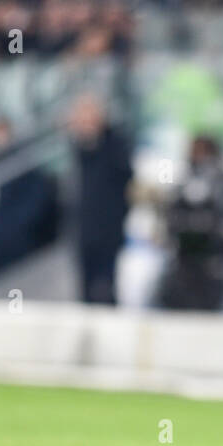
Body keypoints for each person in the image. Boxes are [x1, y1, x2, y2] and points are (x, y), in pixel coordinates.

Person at [155, 135, 223, 311]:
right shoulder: (179, 191)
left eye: (205, 154)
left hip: (222, 264)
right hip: (183, 267)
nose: (200, 160)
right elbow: (167, 228)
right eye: (195, 154)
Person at [69, 95, 132, 304]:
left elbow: (126, 179)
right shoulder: (79, 150)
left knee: (105, 288)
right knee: (86, 289)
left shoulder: (115, 146)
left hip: (108, 231)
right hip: (85, 232)